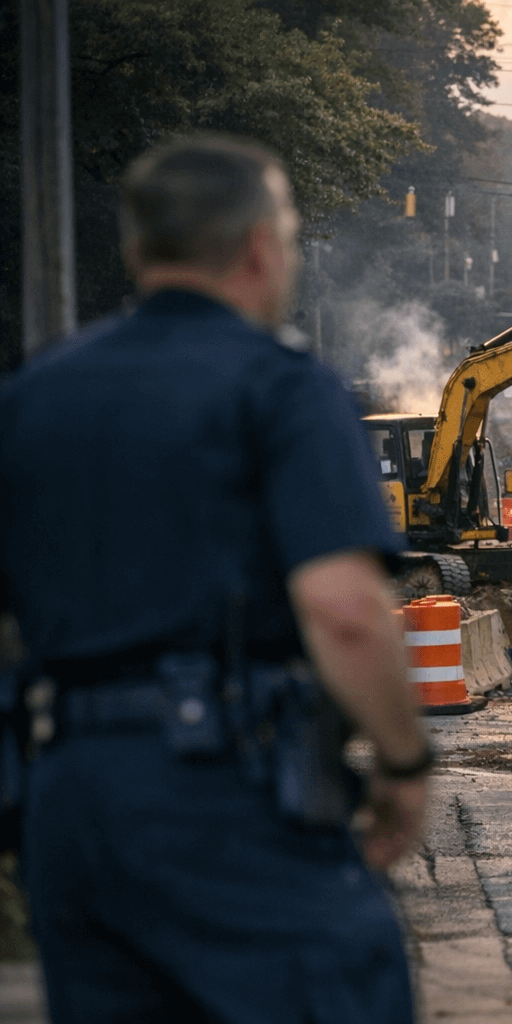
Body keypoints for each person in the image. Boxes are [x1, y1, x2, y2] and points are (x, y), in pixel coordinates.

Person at [0, 135, 429, 1022]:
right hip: (226, 790)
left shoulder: (34, 396)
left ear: (135, 252)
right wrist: (403, 759)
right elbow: (345, 612)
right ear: (262, 249)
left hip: (67, 799)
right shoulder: (281, 387)